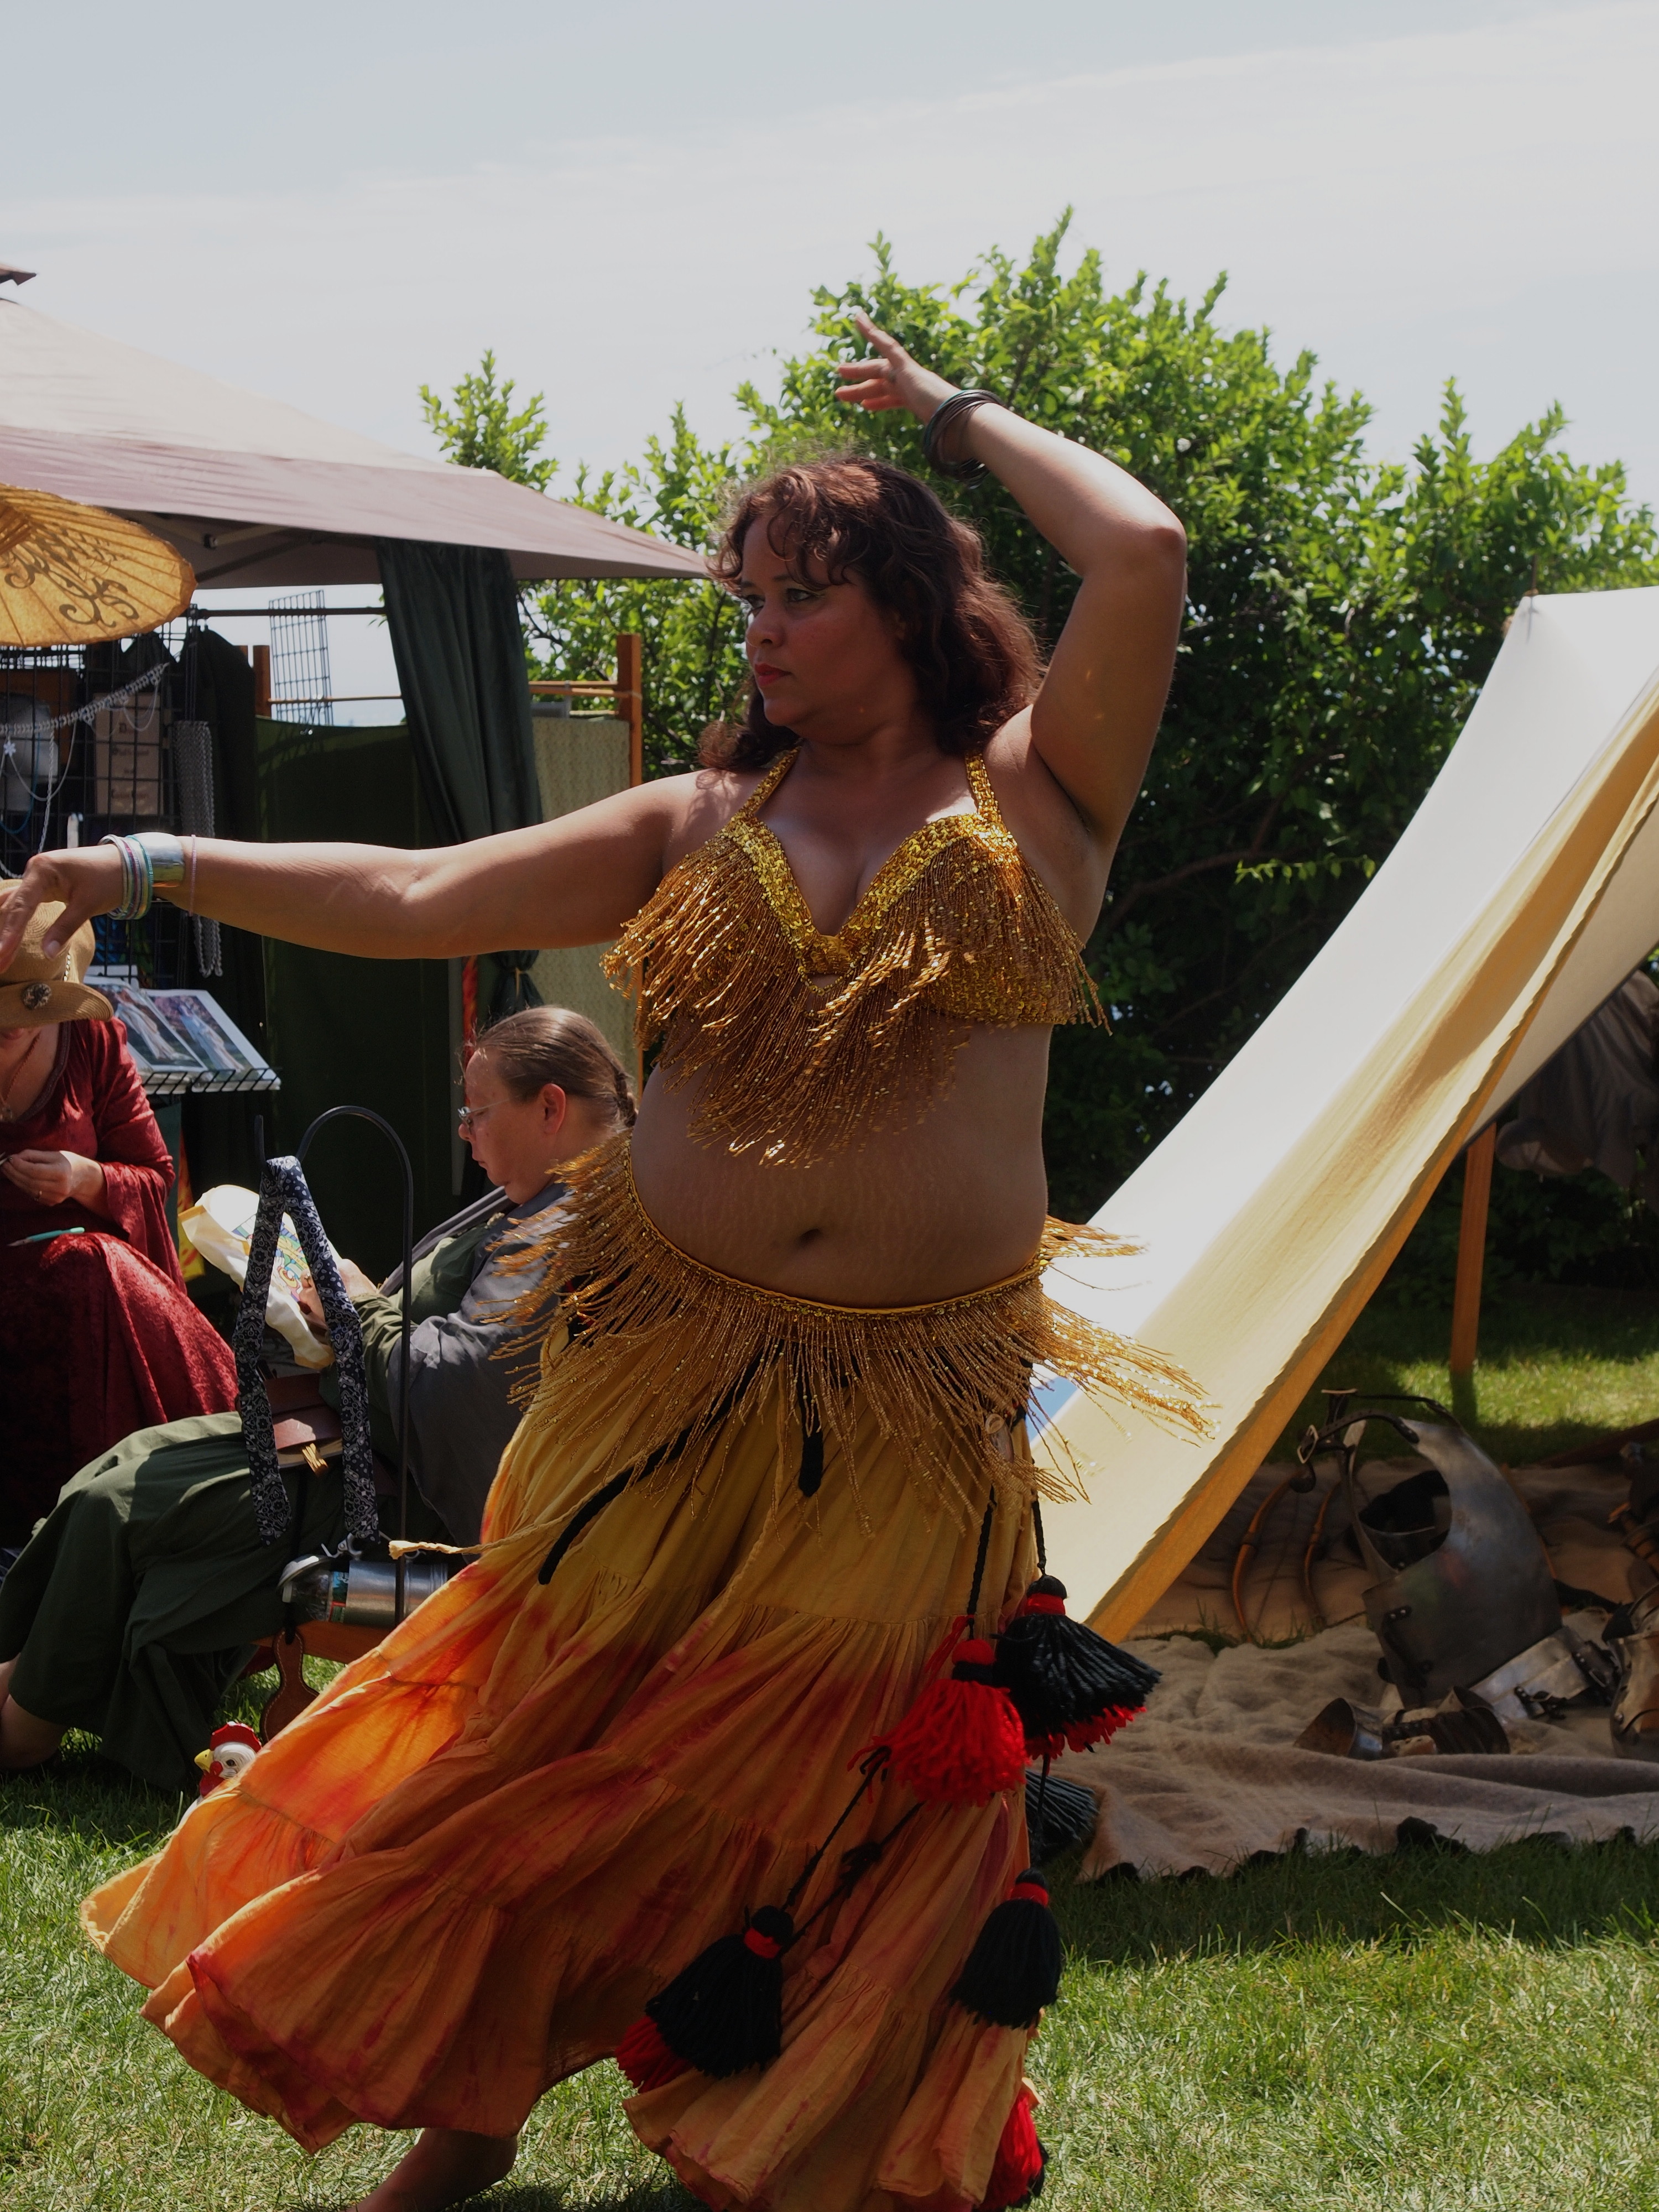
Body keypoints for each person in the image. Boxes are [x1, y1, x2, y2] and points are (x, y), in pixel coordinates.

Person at [0, 314, 1208, 2212]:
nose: (763, 632)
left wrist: (950, 415)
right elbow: (418, 893)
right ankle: (468, 2104)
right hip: (667, 1381)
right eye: (749, 601)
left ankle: (814, 2136)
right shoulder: (697, 821)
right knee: (545, 1731)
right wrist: (151, 862)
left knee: (850, 1772)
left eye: (800, 595)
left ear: (905, 601)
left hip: (913, 1409)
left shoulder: (1040, 796)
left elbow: (1139, 548)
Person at [0, 1006, 632, 1788]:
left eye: (477, 1111)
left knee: (122, 1502)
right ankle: (22, 1669)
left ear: (550, 1108)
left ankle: (24, 1723)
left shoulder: (571, 1226)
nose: (465, 1130)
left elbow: (462, 1389)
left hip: (398, 1498)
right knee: (122, 1465)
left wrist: (356, 1309)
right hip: (360, 1442)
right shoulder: (546, 1198)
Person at [0, 895, 238, 1564]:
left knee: (95, 1268)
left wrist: (84, 1178)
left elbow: (154, 1177)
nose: (11, 1026)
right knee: (93, 1271)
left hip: (95, 1286)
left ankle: (203, 1487)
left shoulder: (93, 1042)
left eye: (28, 1008)